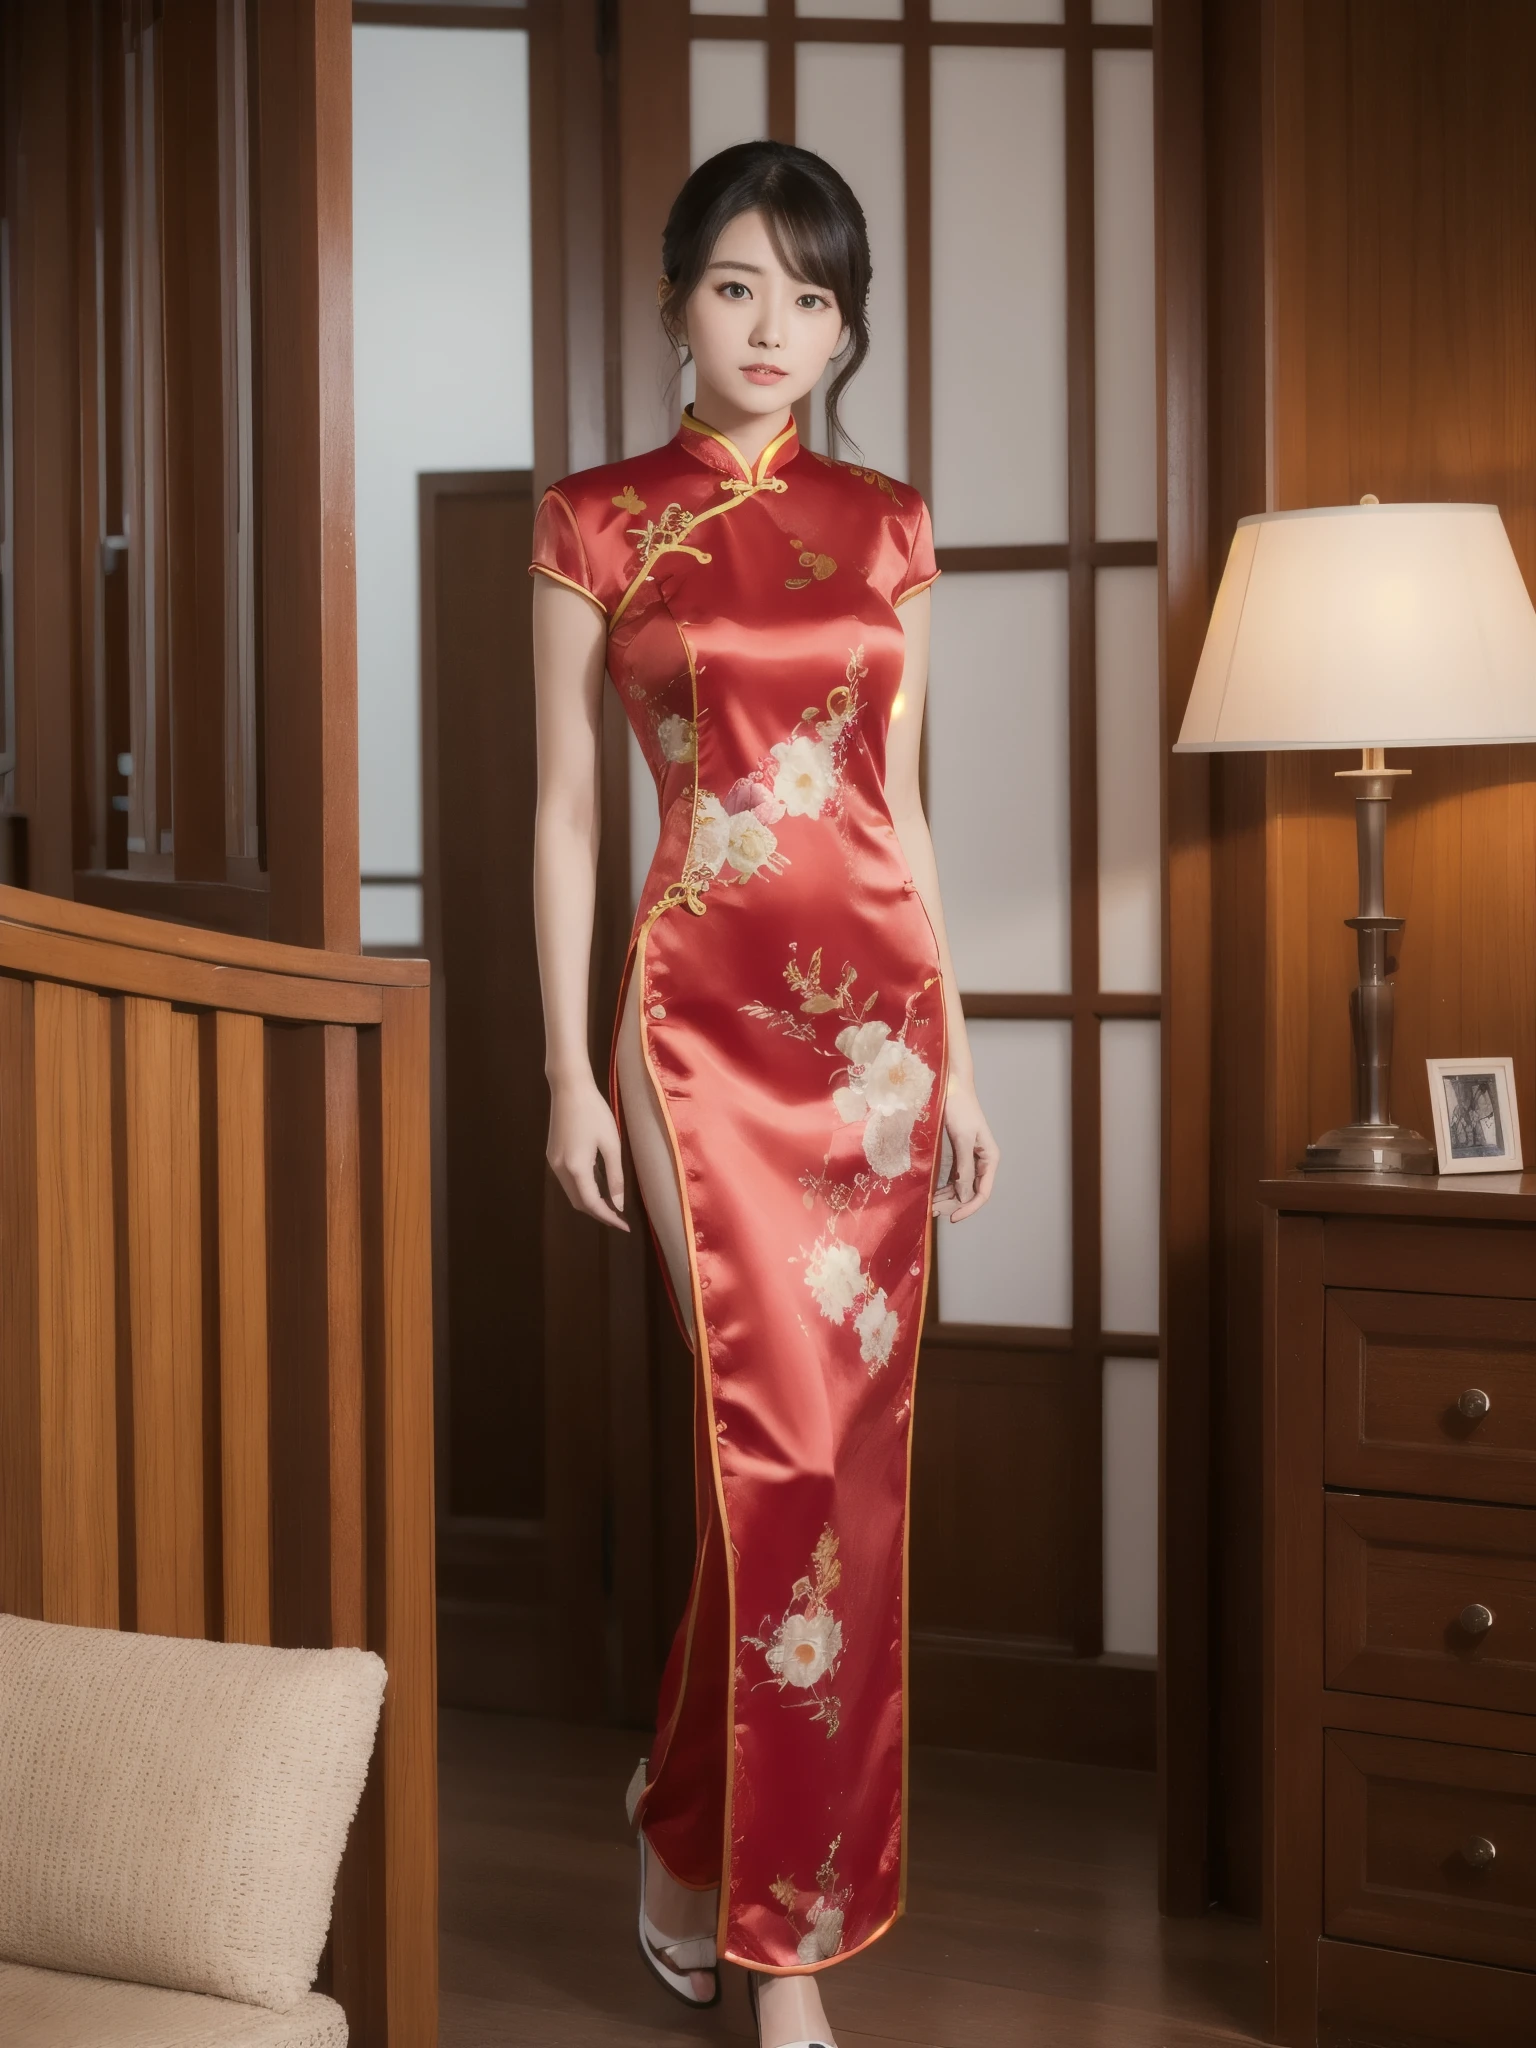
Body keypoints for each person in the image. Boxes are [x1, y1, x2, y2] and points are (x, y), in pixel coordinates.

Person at [530, 140, 999, 2048]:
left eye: (814, 298)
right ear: (674, 305)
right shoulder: (595, 519)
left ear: (846, 325)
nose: (777, 328)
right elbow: (563, 814)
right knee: (773, 1456)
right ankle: (781, 1957)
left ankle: (683, 1840)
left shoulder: (889, 524)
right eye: (740, 286)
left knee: (827, 1486)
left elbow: (902, 809)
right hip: (693, 1027)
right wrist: (562, 1064)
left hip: (877, 1042)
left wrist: (958, 1052)